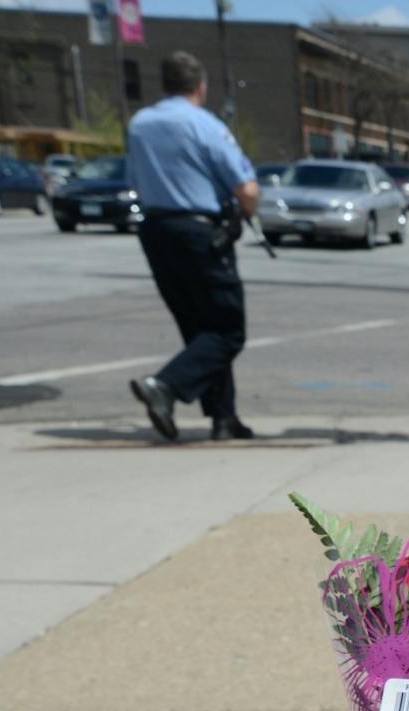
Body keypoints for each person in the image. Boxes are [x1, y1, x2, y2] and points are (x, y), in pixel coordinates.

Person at [125, 52, 261, 442]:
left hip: (155, 231)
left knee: (201, 330)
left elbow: (135, 178)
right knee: (228, 330)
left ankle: (224, 418)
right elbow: (246, 188)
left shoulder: (140, 124)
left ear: (164, 85)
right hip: (200, 232)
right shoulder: (204, 124)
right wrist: (243, 214)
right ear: (200, 86)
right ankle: (164, 386)